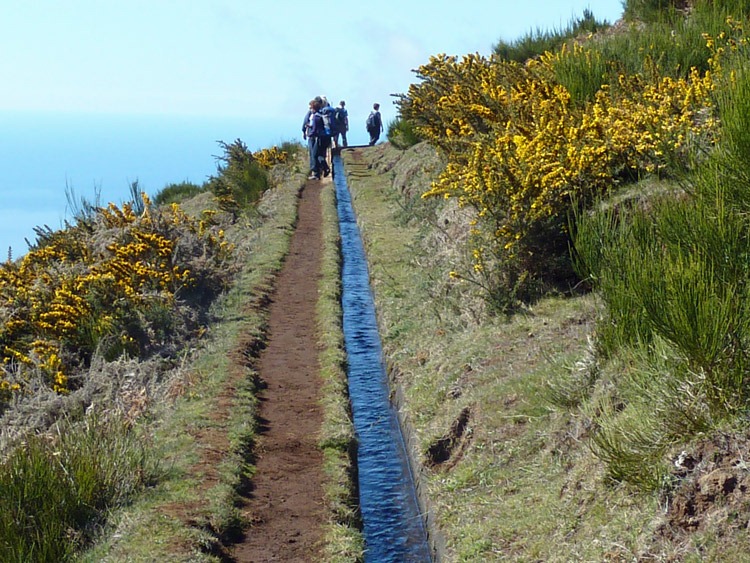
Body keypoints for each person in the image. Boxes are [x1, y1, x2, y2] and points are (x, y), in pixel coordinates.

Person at [307, 98, 331, 180]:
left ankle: (325, 169)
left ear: (313, 108)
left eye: (311, 108)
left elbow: (314, 130)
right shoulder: (321, 115)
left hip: (320, 138)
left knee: (315, 154)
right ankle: (322, 170)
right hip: (325, 137)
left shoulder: (315, 117)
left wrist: (310, 135)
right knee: (319, 154)